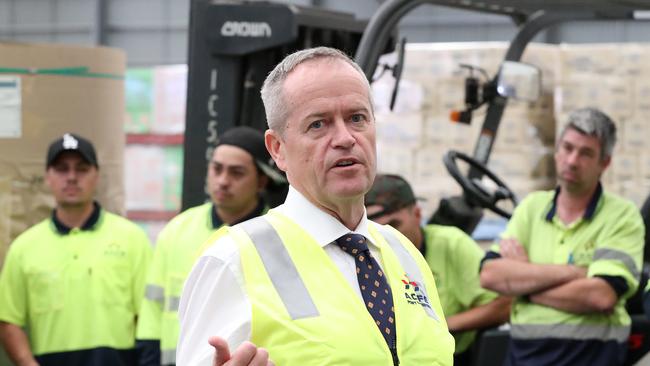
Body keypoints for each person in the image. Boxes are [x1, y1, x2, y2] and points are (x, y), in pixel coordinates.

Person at [177, 47, 455, 366]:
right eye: (318, 125)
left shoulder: (404, 252)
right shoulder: (234, 260)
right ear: (278, 149)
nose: (345, 138)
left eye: (357, 118)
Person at [479, 107, 644, 366]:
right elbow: (489, 274)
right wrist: (574, 272)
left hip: (591, 356)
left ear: (605, 163)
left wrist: (524, 282)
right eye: (567, 148)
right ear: (557, 151)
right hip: (524, 355)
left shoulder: (622, 216)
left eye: (586, 153)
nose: (572, 160)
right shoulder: (531, 208)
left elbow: (600, 296)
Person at [136, 126, 286, 366]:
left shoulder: (281, 237)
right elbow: (152, 313)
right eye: (217, 169)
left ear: (261, 181)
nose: (223, 181)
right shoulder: (176, 230)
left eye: (236, 173)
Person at [0, 133, 153, 366]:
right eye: (62, 169)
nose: (71, 177)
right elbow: (8, 319)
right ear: (47, 177)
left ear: (97, 175)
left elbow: (149, 316)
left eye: (81, 169)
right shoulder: (24, 247)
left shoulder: (132, 239)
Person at [365, 173, 511, 365]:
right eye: (376, 229)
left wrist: (440, 326)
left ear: (417, 214)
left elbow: (504, 305)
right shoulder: (361, 256)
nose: (386, 235)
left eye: (394, 225)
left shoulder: (452, 244)